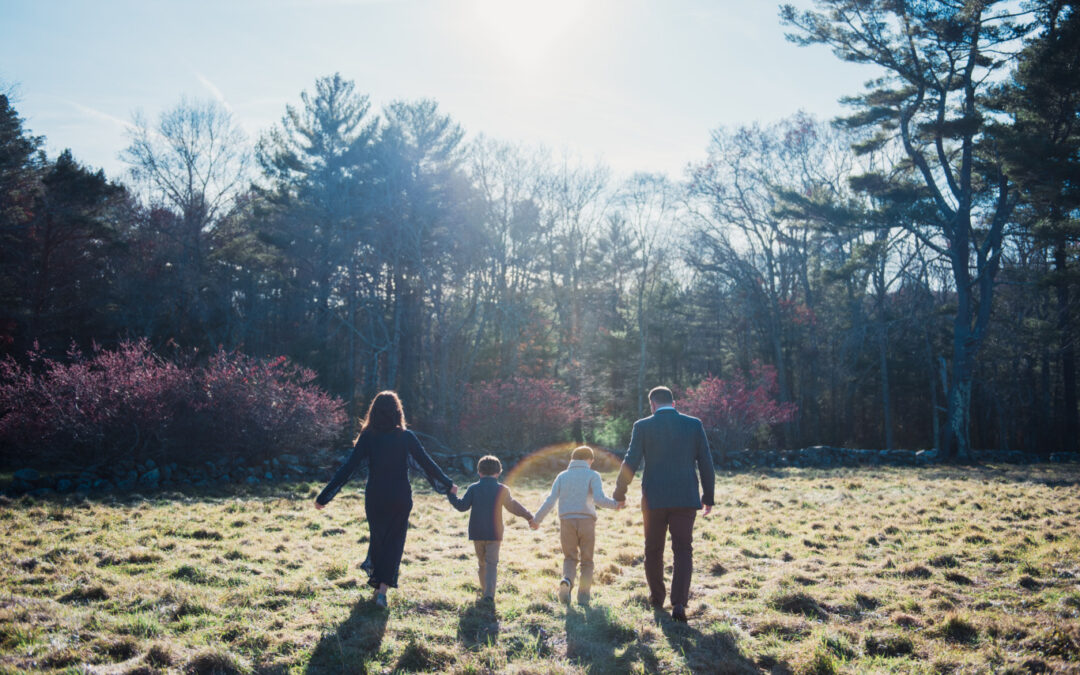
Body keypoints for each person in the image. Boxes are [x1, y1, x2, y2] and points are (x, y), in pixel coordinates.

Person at [314, 391, 455, 609]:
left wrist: (324, 496)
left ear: (374, 412)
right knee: (394, 542)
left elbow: (347, 468)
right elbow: (428, 464)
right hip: (399, 496)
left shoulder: (368, 437)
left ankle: (379, 585)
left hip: (376, 497)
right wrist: (447, 484)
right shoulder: (406, 437)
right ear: (398, 412)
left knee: (379, 539)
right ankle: (382, 591)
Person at [613, 386, 715, 622]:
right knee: (683, 550)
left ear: (652, 404)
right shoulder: (694, 425)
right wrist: (708, 497)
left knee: (653, 549)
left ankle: (657, 599)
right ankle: (679, 603)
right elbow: (706, 463)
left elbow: (631, 462)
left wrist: (620, 493)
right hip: (685, 498)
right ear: (674, 402)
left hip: (654, 500)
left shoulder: (643, 426)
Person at [529, 445, 621, 605]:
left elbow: (550, 500)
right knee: (587, 560)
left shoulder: (562, 476)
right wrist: (615, 504)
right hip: (587, 522)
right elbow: (599, 499)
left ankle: (567, 581)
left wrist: (536, 520)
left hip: (566, 522)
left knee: (570, 558)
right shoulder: (593, 475)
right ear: (589, 460)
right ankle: (583, 595)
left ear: (573, 459)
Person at [447, 455, 534, 601]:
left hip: (477, 532)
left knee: (482, 563)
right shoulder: (502, 489)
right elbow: (513, 506)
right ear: (498, 472)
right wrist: (529, 516)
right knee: (492, 564)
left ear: (479, 472)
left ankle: (484, 590)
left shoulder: (473, 488)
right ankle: (489, 594)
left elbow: (462, 506)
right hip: (495, 533)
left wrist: (452, 496)